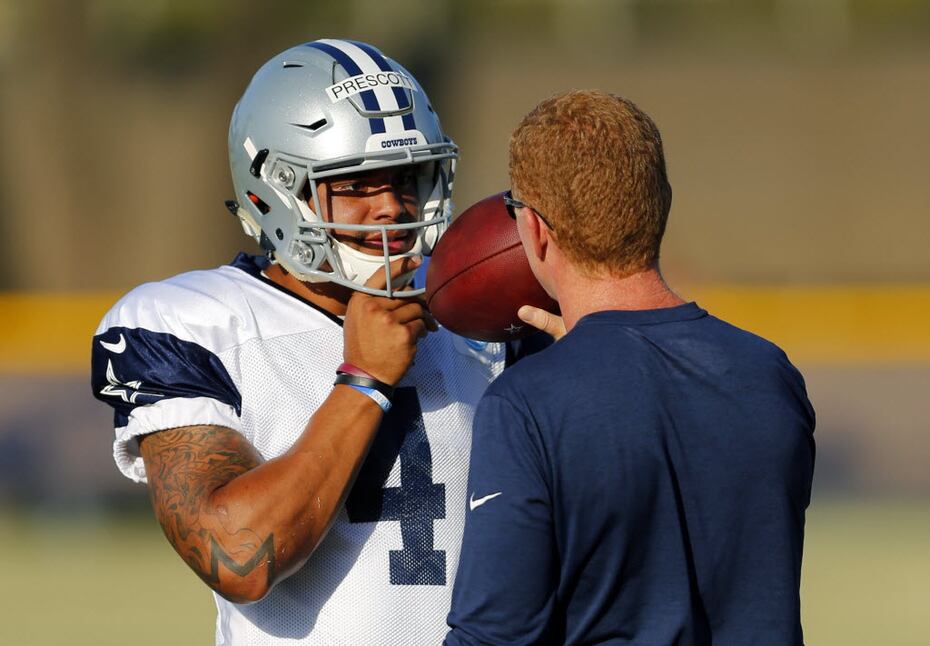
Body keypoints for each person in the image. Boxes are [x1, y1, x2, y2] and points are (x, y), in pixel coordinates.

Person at [92, 39, 513, 645]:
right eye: (357, 185)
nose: (392, 208)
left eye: (407, 179)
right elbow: (237, 555)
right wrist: (364, 382)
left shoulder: (479, 314)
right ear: (277, 190)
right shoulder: (193, 322)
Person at [445, 90, 816, 646]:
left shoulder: (529, 403)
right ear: (659, 203)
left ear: (536, 230)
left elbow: (493, 636)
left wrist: (580, 371)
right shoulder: (771, 374)